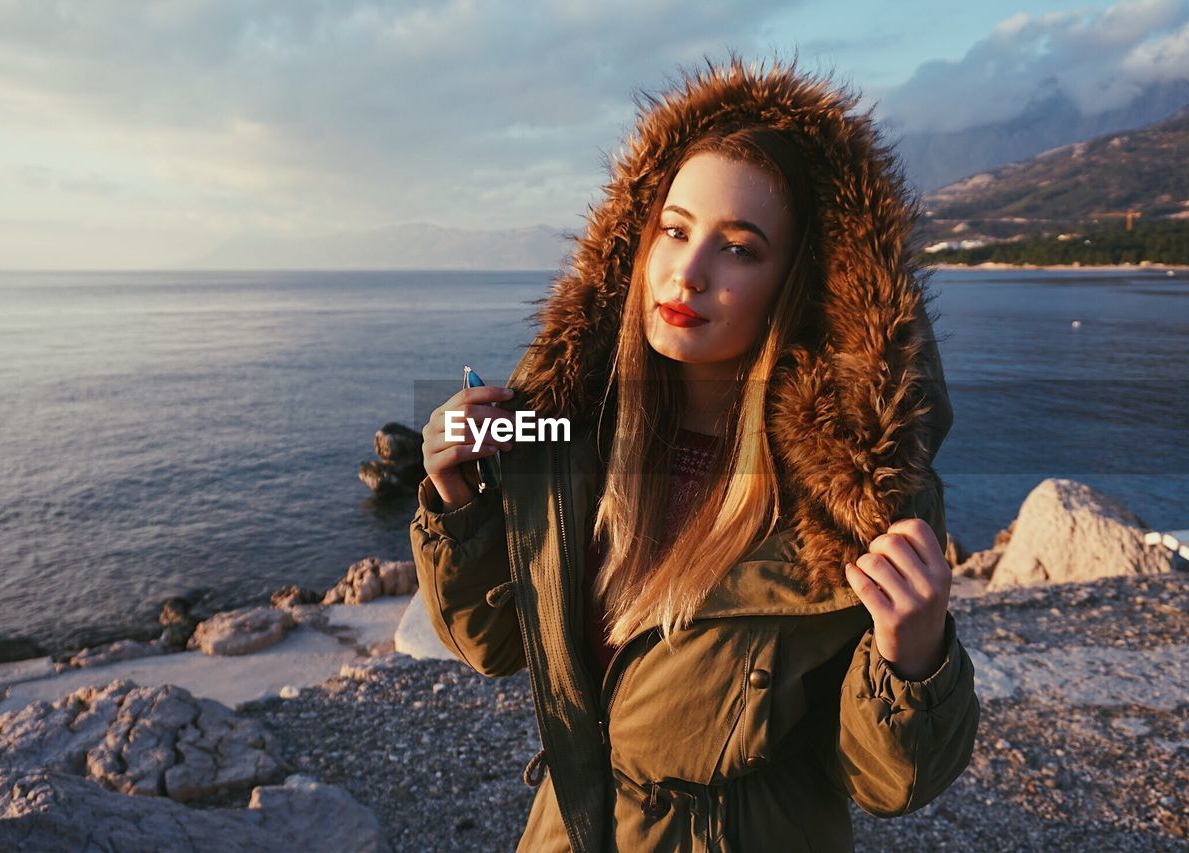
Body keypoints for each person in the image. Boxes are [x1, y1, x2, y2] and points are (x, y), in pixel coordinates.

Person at [411, 52, 979, 852]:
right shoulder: (571, 433)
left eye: (739, 248)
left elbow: (887, 783)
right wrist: (458, 502)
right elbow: (494, 645)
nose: (689, 270)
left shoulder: (855, 501)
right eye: (674, 230)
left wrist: (914, 657)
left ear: (797, 281)